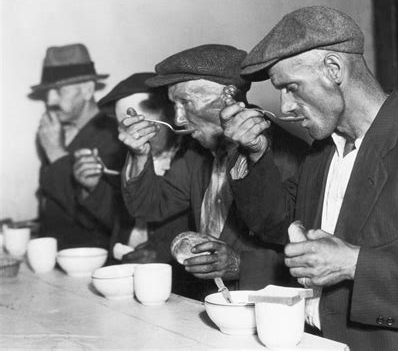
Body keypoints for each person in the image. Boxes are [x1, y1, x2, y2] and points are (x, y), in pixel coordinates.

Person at [221, 6, 398, 351]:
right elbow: (276, 224)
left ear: (334, 69)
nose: (285, 108)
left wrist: (353, 264)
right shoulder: (323, 151)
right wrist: (255, 154)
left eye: (292, 87)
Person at [119, 44, 305, 300]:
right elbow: (150, 206)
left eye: (185, 102)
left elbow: (310, 253)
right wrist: (140, 155)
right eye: (174, 105)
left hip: (264, 308)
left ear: (228, 95)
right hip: (212, 302)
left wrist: (241, 263)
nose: (179, 120)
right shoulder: (197, 153)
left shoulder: (287, 155)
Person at [31, 43, 126, 251]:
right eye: (48, 91)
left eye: (59, 90)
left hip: (90, 260)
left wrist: (56, 154)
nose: (50, 100)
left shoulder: (113, 136)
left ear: (87, 90)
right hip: (54, 256)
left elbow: (104, 217)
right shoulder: (57, 133)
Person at [92, 72, 189, 264]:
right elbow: (118, 218)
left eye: (139, 124)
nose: (133, 135)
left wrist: (163, 255)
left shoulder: (191, 159)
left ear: (168, 116)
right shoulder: (126, 158)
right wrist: (91, 187)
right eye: (125, 126)